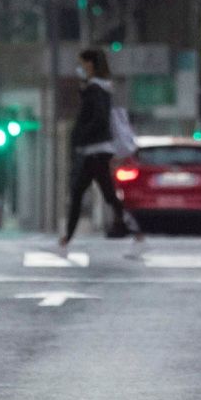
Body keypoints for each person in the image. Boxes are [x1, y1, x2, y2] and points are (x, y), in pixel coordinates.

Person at [59, 48, 142, 253]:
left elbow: (98, 118)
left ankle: (67, 239)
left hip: (95, 150)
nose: (79, 68)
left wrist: (81, 136)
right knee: (102, 194)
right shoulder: (99, 88)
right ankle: (67, 239)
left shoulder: (96, 90)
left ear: (90, 64)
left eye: (82, 63)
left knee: (89, 193)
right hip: (95, 151)